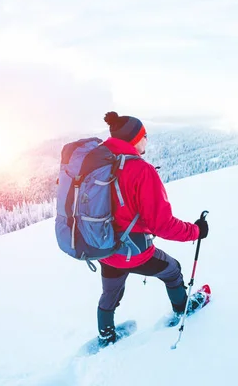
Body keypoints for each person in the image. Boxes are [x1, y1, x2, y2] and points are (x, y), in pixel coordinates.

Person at [97, 111, 209, 346]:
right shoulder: (140, 171)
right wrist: (196, 231)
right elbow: (163, 225)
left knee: (110, 294)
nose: (146, 139)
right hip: (133, 251)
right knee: (172, 270)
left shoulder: (101, 163)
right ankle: (182, 310)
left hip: (103, 247)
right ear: (134, 139)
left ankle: (106, 335)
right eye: (144, 135)